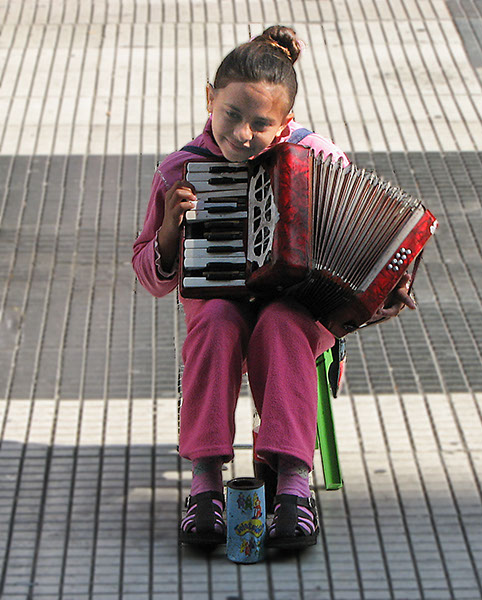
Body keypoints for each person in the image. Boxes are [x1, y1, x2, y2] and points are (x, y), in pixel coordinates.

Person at [132, 25, 415, 550]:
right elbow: (150, 276)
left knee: (282, 324)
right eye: (231, 115)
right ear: (209, 99)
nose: (242, 134)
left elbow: (359, 235)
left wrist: (384, 282)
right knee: (215, 322)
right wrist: (171, 230)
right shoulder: (181, 171)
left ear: (285, 121)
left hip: (299, 310)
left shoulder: (317, 159)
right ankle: (206, 480)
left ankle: (290, 483)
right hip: (221, 304)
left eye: (260, 124)